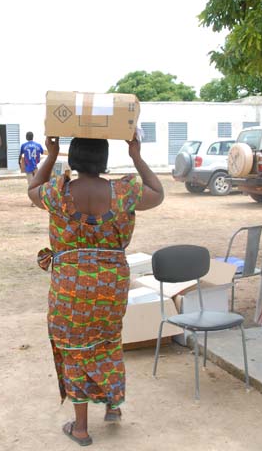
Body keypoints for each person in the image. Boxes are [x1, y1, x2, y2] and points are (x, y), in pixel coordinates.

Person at [28, 134, 164, 446]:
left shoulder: (57, 192)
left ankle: (80, 428)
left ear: (73, 159)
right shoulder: (125, 191)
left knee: (75, 349)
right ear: (103, 160)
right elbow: (157, 193)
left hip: (70, 285)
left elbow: (32, 190)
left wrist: (50, 155)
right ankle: (113, 406)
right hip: (111, 283)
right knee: (107, 339)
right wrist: (136, 155)